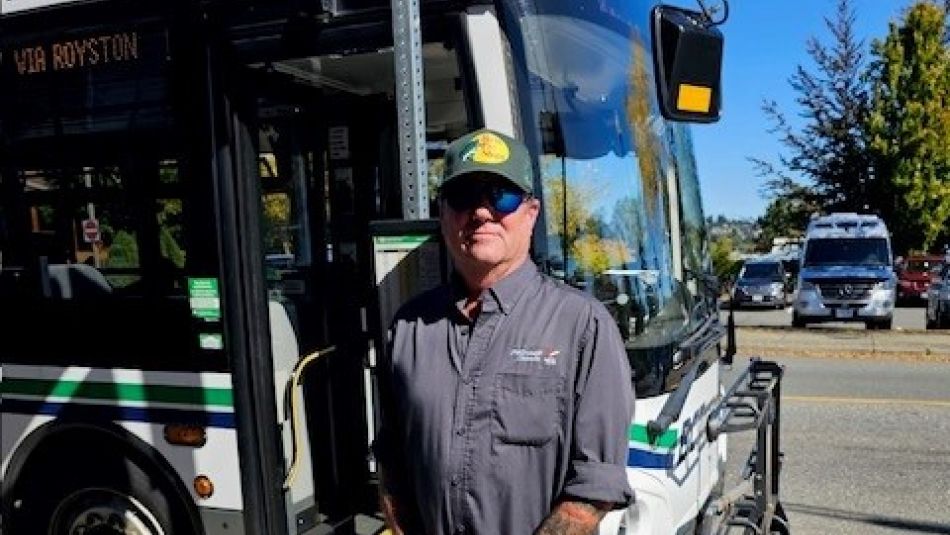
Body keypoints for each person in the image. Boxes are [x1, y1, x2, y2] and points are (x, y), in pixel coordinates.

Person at [374, 128, 634, 535]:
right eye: (463, 197)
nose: (481, 212)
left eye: (501, 196)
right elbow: (392, 457)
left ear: (530, 213)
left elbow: (594, 487)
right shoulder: (408, 328)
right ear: (443, 214)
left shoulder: (583, 325)